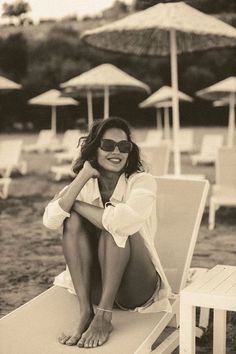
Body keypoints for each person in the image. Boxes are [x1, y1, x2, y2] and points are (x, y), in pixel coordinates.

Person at [43, 117, 171, 349]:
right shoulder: (84, 184)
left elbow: (123, 223)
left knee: (114, 226)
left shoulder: (142, 182)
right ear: (94, 150)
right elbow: (51, 220)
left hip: (136, 288)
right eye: (108, 145)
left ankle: (104, 317)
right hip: (97, 286)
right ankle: (86, 313)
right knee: (71, 223)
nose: (117, 152)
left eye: (124, 147)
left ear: (130, 153)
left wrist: (75, 205)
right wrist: (82, 177)